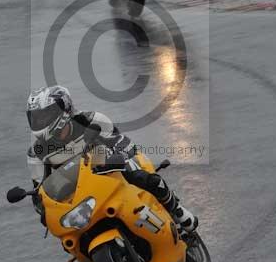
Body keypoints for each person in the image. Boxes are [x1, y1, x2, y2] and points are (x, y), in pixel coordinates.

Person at [27, 85, 198, 239]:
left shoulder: (91, 120)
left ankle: (177, 212)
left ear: (64, 109)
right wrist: (44, 211)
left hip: (109, 170)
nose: (40, 122)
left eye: (45, 116)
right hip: (77, 194)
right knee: (66, 233)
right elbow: (40, 192)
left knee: (142, 176)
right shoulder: (37, 153)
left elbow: (124, 144)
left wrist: (119, 157)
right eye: (35, 118)